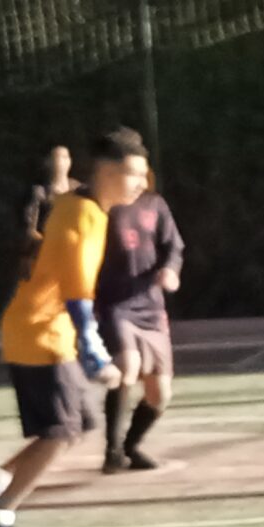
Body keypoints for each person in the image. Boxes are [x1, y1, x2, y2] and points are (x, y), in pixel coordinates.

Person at [0, 131, 148, 527]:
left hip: (48, 332)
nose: (141, 184)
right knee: (60, 433)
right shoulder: (81, 215)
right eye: (134, 175)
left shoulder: (84, 209)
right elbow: (76, 293)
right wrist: (97, 355)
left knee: (74, 426)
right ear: (107, 173)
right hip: (39, 334)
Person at [94, 144, 185, 473]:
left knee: (160, 394)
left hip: (150, 306)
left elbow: (173, 246)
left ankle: (131, 446)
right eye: (134, 174)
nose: (141, 182)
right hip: (115, 304)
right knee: (127, 366)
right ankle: (112, 450)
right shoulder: (103, 208)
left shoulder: (155, 205)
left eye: (144, 175)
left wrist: (170, 270)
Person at [22, 146, 75, 252]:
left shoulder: (78, 189)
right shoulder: (39, 192)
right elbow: (30, 230)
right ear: (47, 162)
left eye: (66, 156)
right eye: (59, 156)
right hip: (46, 251)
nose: (64, 161)